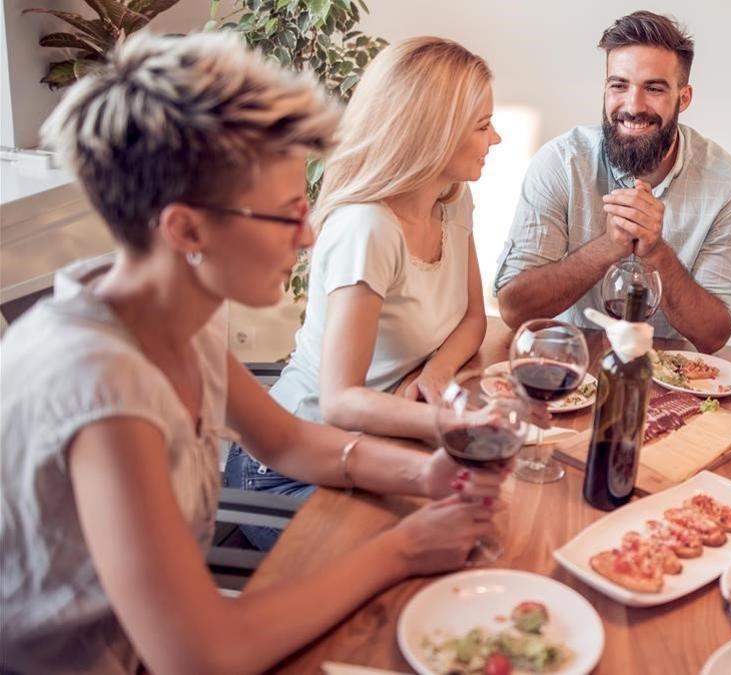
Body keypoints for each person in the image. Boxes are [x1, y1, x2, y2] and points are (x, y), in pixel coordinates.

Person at [0, 32, 502, 674]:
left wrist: (425, 476)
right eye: (286, 214)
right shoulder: (101, 383)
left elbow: (289, 441)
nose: (308, 234)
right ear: (187, 228)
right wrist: (401, 549)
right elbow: (205, 655)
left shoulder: (169, 312)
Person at [224, 37, 503, 549]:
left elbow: (472, 319)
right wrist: (449, 421)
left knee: (485, 526)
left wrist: (434, 374)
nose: (497, 138)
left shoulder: (452, 199)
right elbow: (340, 402)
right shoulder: (368, 230)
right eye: (483, 126)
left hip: (378, 442)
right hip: (288, 468)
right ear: (432, 135)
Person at [494, 10, 731, 353]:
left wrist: (656, 252)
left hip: (672, 377)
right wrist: (610, 245)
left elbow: (713, 336)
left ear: (684, 97)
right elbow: (514, 310)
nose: (633, 106)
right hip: (570, 366)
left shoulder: (729, 185)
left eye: (654, 88)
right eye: (619, 85)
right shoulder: (561, 162)